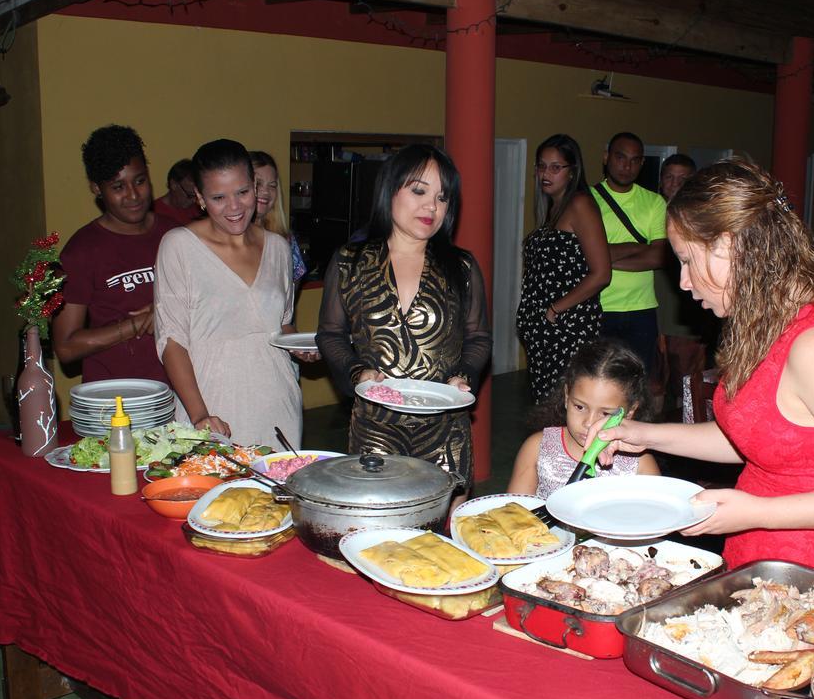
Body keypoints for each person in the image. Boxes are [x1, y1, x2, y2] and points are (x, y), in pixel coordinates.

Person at [592, 158, 814, 597]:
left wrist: (758, 511)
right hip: (769, 564)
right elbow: (759, 437)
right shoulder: (769, 322)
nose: (682, 282)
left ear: (728, 246)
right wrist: (645, 434)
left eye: (685, 260)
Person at [315, 145, 491, 488]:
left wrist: (463, 375)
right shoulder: (351, 261)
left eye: (442, 197)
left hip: (445, 432)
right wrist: (357, 371)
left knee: (439, 538)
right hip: (375, 429)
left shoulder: (462, 267)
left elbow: (479, 337)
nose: (431, 206)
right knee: (376, 534)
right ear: (390, 189)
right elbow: (330, 334)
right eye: (419, 191)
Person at [154, 139, 303, 447]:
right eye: (219, 197)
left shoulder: (277, 247)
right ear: (200, 197)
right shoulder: (178, 246)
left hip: (278, 405)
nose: (234, 207)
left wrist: (302, 346)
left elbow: (281, 323)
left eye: (243, 192)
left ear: (255, 187)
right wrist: (200, 416)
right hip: (211, 410)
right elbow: (171, 340)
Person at [53, 124, 177, 383]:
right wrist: (135, 326)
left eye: (140, 181)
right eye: (118, 187)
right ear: (97, 189)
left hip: (180, 393)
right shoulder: (82, 250)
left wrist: (166, 314)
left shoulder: (177, 236)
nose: (133, 195)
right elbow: (66, 347)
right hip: (115, 400)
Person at [516, 134, 611, 401]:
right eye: (541, 166)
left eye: (556, 167)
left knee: (566, 405)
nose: (546, 173)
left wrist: (555, 308)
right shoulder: (552, 209)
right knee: (548, 406)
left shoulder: (579, 204)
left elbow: (602, 273)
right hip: (544, 331)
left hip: (566, 328)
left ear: (572, 172)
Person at [508, 338, 661, 497]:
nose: (589, 423)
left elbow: (656, 517)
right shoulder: (536, 448)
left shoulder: (641, 464)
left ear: (629, 412)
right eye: (580, 407)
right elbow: (515, 514)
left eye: (605, 413)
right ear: (567, 397)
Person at [591, 132, 667, 375]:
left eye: (635, 160)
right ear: (606, 158)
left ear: (642, 163)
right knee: (598, 379)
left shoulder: (654, 202)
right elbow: (581, 254)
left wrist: (601, 260)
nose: (627, 166)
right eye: (620, 157)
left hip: (641, 309)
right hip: (597, 305)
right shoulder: (586, 201)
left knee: (637, 381)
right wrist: (639, 247)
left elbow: (657, 257)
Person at [653, 153, 719, 417]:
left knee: (688, 386)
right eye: (669, 177)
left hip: (688, 319)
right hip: (652, 312)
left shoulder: (703, 219)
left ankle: (687, 443)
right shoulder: (652, 211)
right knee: (653, 383)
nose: (675, 184)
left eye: (683, 179)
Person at [250, 150, 308, 285]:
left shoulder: (285, 240)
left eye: (272, 185)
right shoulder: (226, 236)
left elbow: (290, 295)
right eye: (258, 183)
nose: (265, 191)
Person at [152, 159, 201, 225]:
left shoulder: (198, 208)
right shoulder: (154, 212)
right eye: (190, 195)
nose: (194, 200)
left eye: (197, 195)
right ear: (174, 185)